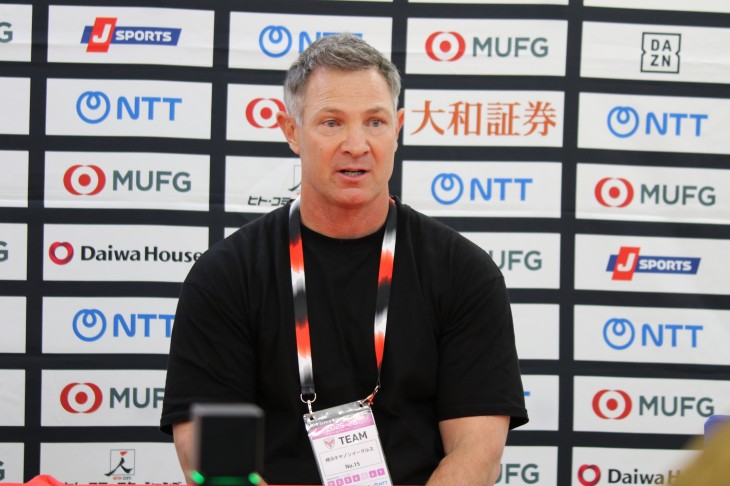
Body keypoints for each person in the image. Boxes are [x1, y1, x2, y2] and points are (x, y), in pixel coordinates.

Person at [161, 33, 528, 485]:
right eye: (332, 122)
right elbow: (217, 461)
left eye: (375, 122)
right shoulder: (227, 275)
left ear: (397, 128)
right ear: (291, 131)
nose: (357, 145)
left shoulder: (463, 272)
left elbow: (477, 451)